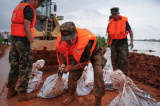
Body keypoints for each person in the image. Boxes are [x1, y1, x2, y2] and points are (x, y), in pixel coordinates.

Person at [56, 22, 106, 105]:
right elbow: (62, 52)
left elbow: (82, 65)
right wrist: (61, 66)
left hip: (95, 53)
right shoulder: (63, 41)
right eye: (67, 39)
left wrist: (68, 69)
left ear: (76, 33)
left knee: (98, 73)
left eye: (72, 38)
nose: (71, 41)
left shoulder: (86, 43)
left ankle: (98, 98)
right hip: (80, 54)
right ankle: (71, 95)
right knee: (72, 75)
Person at [6, 0, 44, 101]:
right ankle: (22, 94)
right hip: (24, 42)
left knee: (14, 66)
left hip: (14, 40)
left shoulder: (19, 7)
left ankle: (10, 91)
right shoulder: (28, 9)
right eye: (39, 3)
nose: (38, 6)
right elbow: (26, 27)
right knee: (26, 66)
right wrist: (32, 43)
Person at [106, 7, 134, 76]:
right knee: (114, 60)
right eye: (112, 14)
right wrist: (107, 43)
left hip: (123, 43)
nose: (114, 16)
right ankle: (115, 75)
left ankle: (125, 75)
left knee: (124, 59)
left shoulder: (124, 22)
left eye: (115, 14)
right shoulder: (110, 23)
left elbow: (130, 32)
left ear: (118, 13)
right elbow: (109, 34)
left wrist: (131, 42)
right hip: (114, 44)